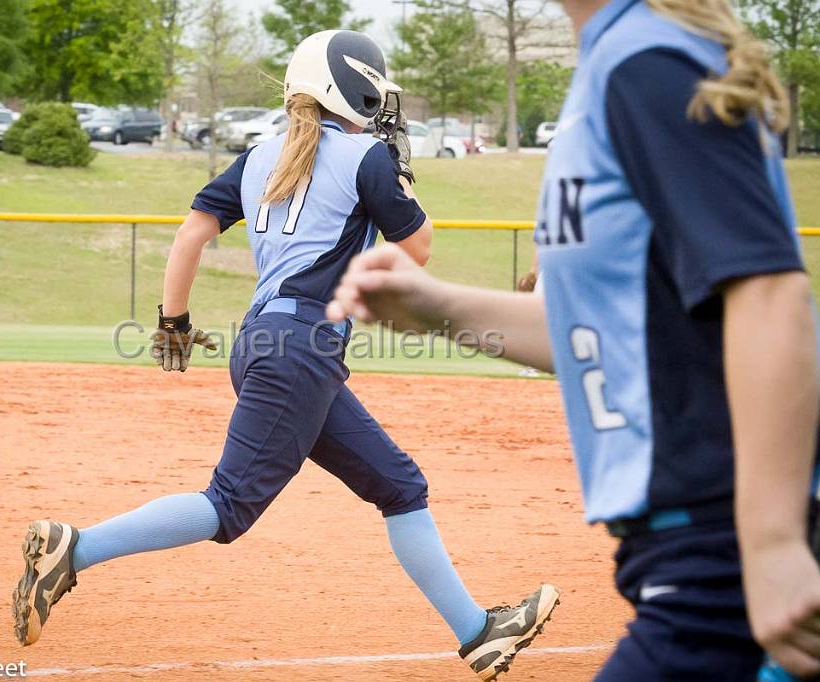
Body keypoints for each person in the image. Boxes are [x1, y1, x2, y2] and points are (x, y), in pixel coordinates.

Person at [11, 30, 559, 680]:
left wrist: (175, 323)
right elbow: (419, 249)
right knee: (229, 504)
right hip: (301, 352)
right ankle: (74, 550)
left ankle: (478, 634)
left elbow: (190, 236)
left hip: (267, 347)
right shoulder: (366, 157)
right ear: (353, 88)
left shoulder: (259, 154)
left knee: (400, 486)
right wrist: (399, 172)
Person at [327, 1, 820, 679]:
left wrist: (775, 544)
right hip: (689, 554)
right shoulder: (615, 63)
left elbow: (769, 294)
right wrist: (437, 308)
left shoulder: (649, 62)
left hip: (723, 556)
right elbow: (604, 336)